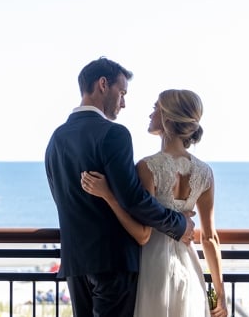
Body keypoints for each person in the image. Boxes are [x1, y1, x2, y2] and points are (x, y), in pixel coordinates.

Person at [45, 57, 195, 317]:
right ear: (103, 84)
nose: (124, 102)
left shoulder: (56, 138)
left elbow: (62, 198)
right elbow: (134, 199)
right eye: (122, 92)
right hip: (113, 264)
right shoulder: (114, 134)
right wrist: (179, 224)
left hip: (76, 263)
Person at [82, 89, 228, 317]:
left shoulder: (148, 167)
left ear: (168, 119)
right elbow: (210, 238)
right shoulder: (205, 173)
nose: (150, 115)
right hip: (190, 269)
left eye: (155, 109)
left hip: (154, 269)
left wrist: (108, 195)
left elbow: (141, 232)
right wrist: (220, 293)